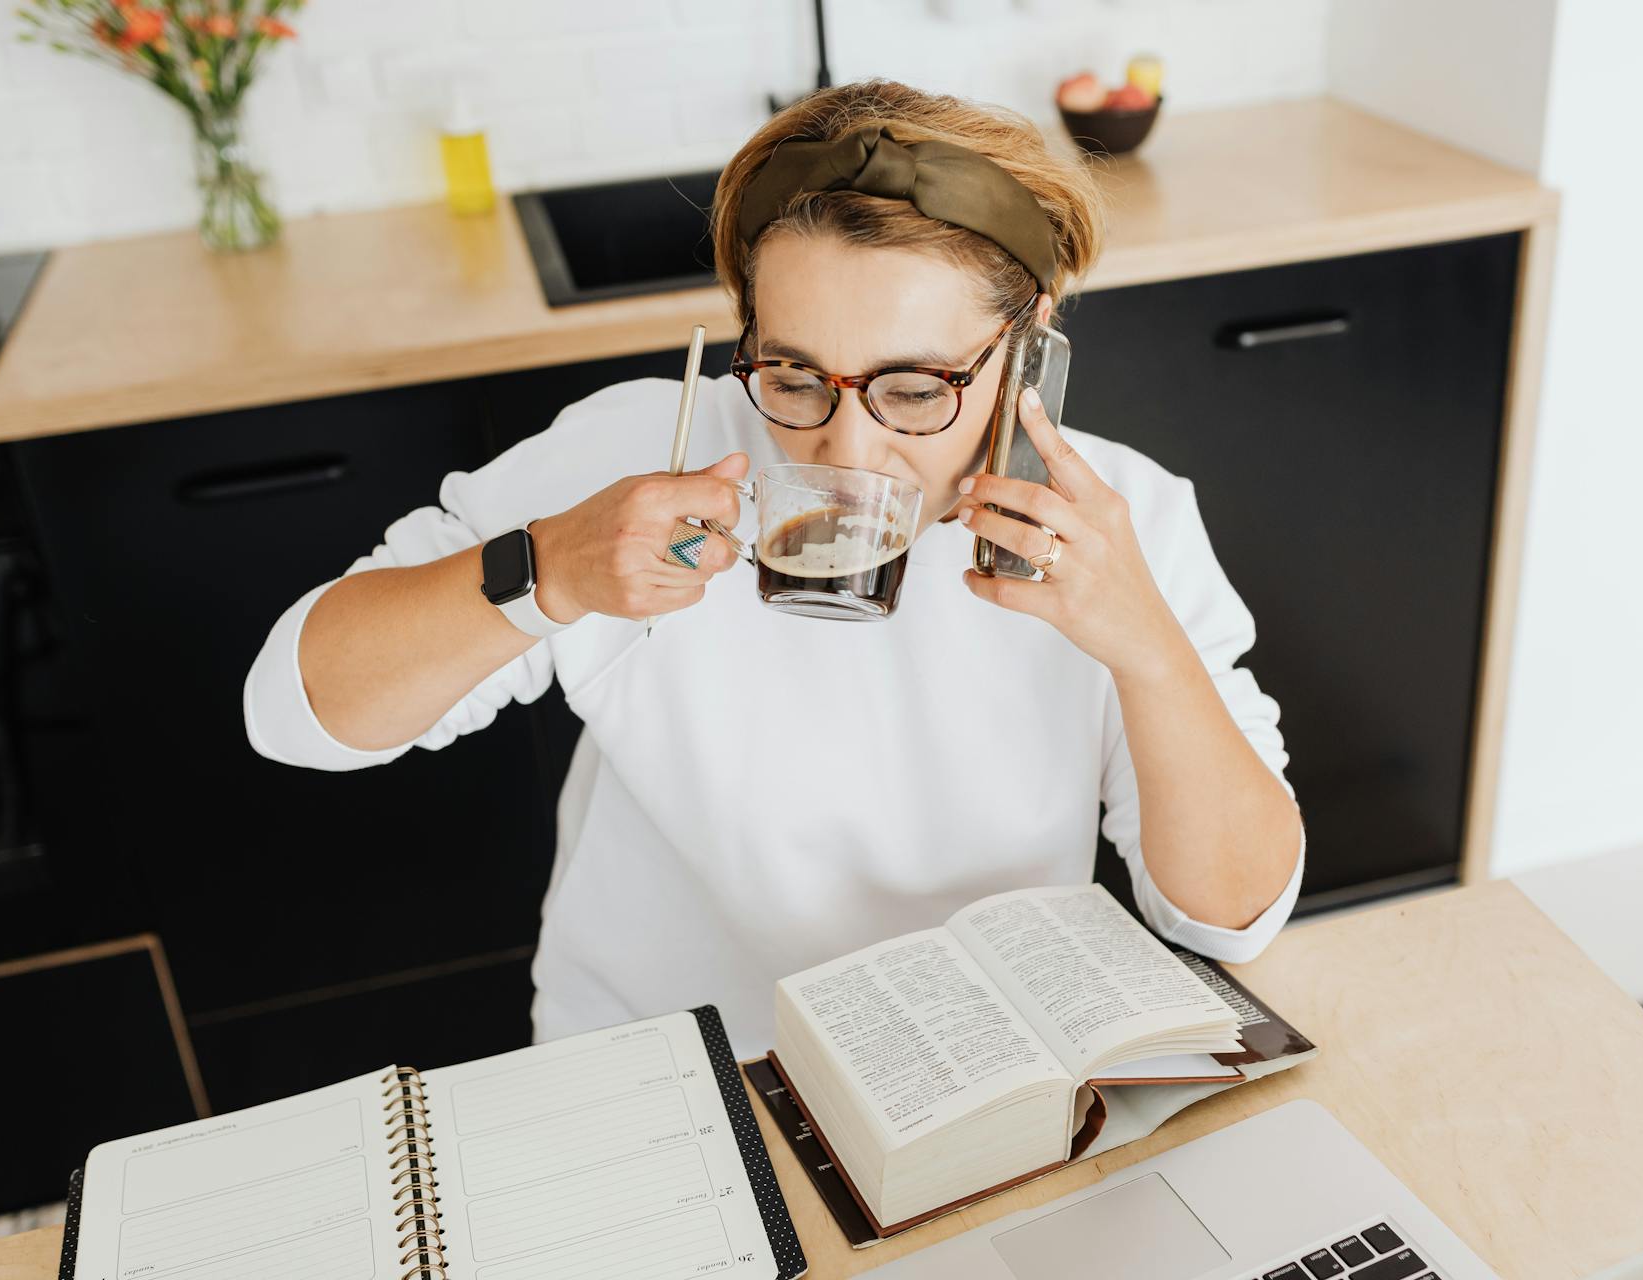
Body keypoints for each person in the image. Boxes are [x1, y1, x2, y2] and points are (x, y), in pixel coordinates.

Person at [244, 80, 1304, 1057]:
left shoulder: (1121, 522)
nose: (845, 452)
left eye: (915, 387)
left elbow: (1230, 917)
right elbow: (293, 714)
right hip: (667, 1071)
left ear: (1029, 350)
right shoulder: (640, 456)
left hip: (978, 1068)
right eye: (795, 375)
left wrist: (1148, 650)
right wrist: (550, 569)